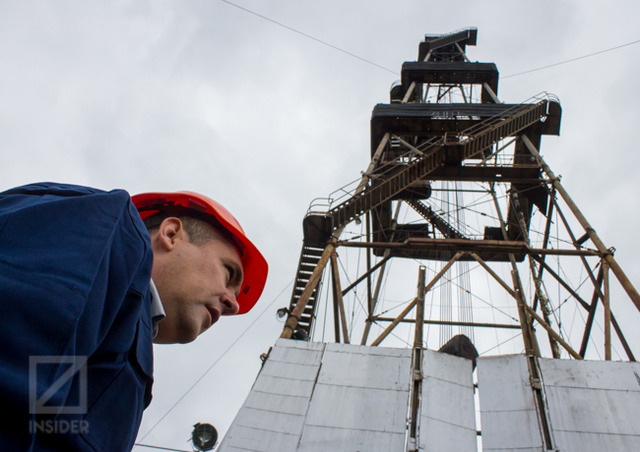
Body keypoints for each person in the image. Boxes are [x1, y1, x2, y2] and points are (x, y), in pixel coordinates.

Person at [0, 182, 268, 451]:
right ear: (171, 234)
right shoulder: (110, 231)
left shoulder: (125, 331)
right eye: (229, 273)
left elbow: (47, 419)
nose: (233, 305)